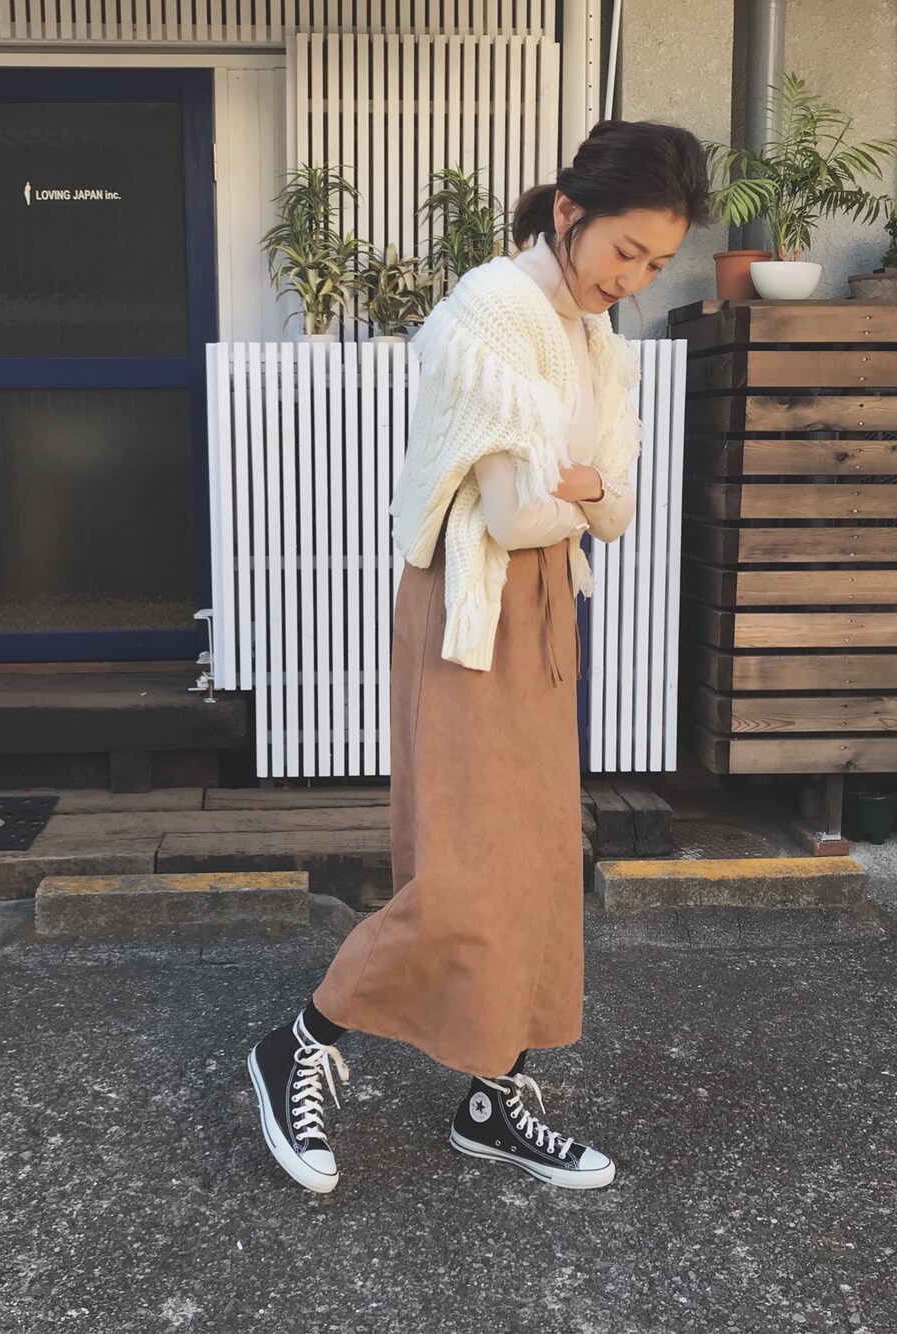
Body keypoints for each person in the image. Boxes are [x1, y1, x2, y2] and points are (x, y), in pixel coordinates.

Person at [248, 120, 711, 1195]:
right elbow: (515, 515)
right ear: (569, 212)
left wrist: (586, 492)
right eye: (624, 250)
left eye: (655, 263)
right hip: (471, 602)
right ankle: (300, 1042)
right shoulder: (490, 312)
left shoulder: (593, 338)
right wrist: (588, 491)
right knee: (465, 869)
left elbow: (616, 507)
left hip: (541, 608)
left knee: (537, 859)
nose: (632, 279)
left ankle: (493, 1093)